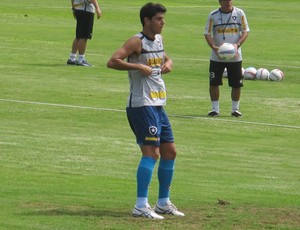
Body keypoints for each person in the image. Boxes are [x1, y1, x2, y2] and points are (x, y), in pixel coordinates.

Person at [107, 2, 184, 220]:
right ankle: (141, 205)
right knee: (152, 153)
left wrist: (169, 63)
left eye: (163, 18)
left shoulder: (158, 39)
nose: (163, 22)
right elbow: (112, 61)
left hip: (158, 104)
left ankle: (162, 203)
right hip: (141, 105)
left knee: (170, 152)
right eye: (159, 19)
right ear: (146, 21)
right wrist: (138, 66)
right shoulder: (136, 41)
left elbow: (164, 58)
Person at [204, 0, 250, 117]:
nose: (228, 2)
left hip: (235, 56)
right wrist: (214, 47)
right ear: (220, 1)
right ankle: (215, 109)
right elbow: (207, 33)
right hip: (217, 56)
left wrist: (237, 45)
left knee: (236, 84)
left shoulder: (239, 13)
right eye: (225, 0)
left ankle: (235, 110)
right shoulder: (213, 16)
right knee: (214, 83)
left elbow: (245, 31)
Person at [67, 0, 102, 66]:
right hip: (86, 10)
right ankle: (81, 59)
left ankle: (72, 58)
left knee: (79, 36)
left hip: (78, 9)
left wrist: (73, 7)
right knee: (84, 36)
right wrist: (98, 8)